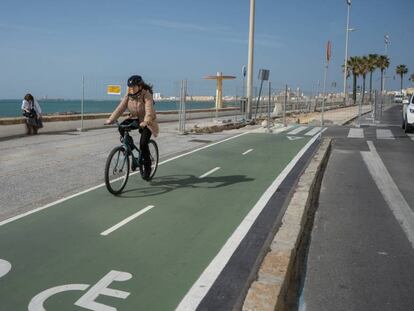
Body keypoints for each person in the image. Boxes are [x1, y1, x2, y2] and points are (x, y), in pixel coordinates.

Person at [106, 75, 159, 180]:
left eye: (133, 87)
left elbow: (149, 110)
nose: (131, 89)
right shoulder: (129, 94)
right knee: (121, 127)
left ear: (139, 86)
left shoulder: (146, 95)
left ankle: (147, 167)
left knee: (143, 144)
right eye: (130, 87)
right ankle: (128, 146)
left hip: (148, 121)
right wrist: (111, 119)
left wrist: (146, 121)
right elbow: (120, 108)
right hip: (135, 118)